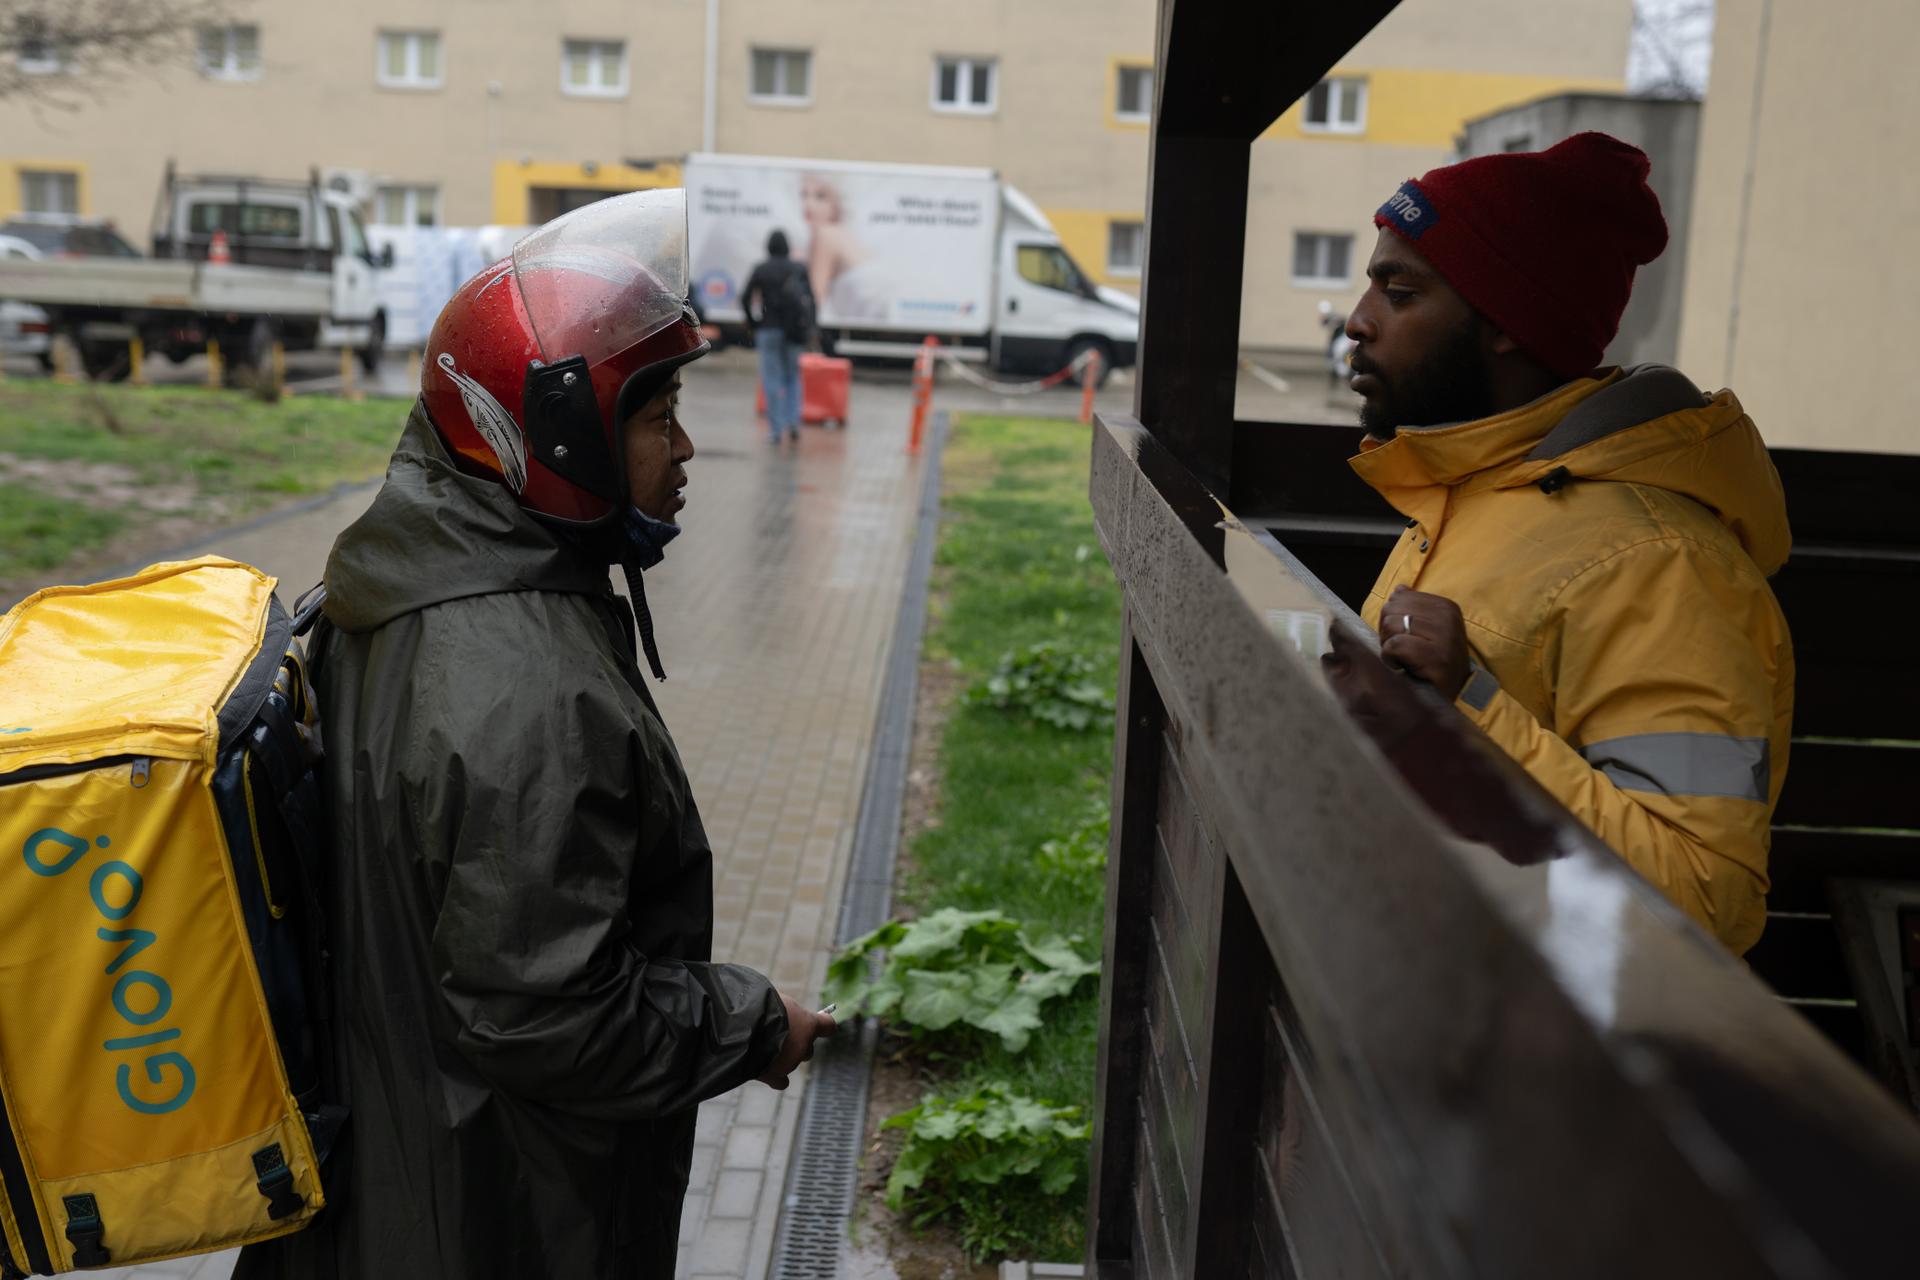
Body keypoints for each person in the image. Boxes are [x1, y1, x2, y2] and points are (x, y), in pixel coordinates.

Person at [234, 190, 836, 1280]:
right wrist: (750, 1025)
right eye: (659, 417)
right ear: (561, 432)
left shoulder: (402, 578)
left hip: (405, 1173)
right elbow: (547, 1015)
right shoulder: (526, 693)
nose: (688, 448)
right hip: (493, 1213)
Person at [1321, 133, 1793, 956]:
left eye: (1399, 291)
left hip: (1547, 1052)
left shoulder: (1662, 566)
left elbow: (1704, 894)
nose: (1357, 322)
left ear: (1504, 324)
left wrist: (1471, 705)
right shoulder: (1475, 494)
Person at [742, 229, 813, 444]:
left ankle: (775, 429)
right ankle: (793, 423)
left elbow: (746, 297)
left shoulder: (761, 269)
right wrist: (810, 327)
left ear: (769, 247)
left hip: (769, 329)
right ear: (787, 247)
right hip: (793, 331)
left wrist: (755, 323)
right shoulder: (798, 269)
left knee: (772, 379)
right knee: (793, 376)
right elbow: (811, 300)